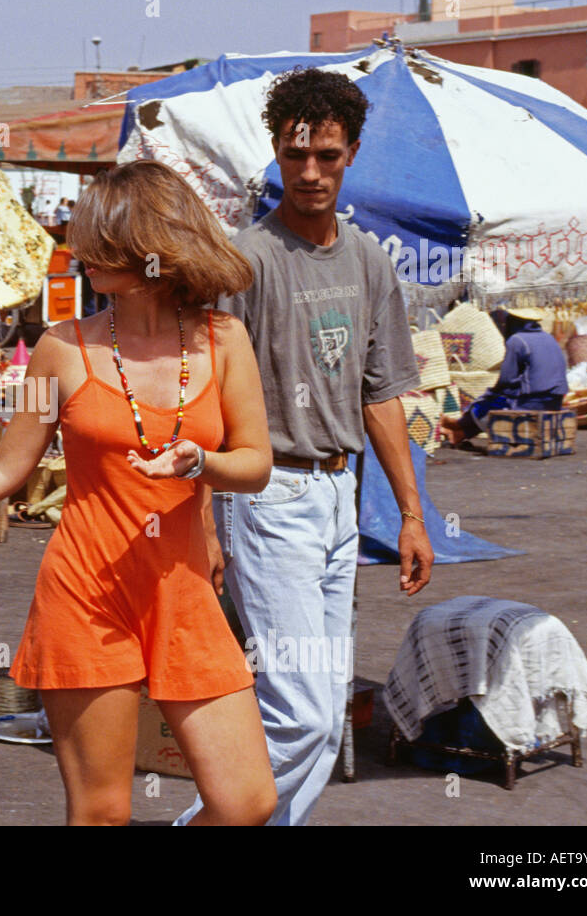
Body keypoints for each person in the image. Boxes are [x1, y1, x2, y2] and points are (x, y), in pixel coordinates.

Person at [0, 160, 278, 826]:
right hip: (88, 592)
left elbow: (256, 461)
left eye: (98, 240)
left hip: (185, 592)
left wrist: (204, 464)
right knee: (103, 813)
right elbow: (7, 465)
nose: (80, 253)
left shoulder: (224, 341)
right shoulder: (61, 347)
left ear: (151, 247)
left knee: (246, 802)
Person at [176, 67, 434, 827]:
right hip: (266, 496)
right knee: (307, 717)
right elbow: (205, 404)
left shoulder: (369, 261)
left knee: (323, 720)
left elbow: (383, 394)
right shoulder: (245, 261)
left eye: (326, 154)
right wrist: (202, 517)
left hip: (337, 499)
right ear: (277, 156)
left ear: (351, 152)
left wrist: (413, 515)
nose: (311, 172)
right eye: (296, 156)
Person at [440, 308, 569, 445]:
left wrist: (489, 394)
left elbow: (506, 380)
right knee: (497, 400)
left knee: (488, 404)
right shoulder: (548, 337)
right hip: (555, 401)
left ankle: (459, 424)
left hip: (531, 403)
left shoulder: (517, 340)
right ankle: (459, 433)